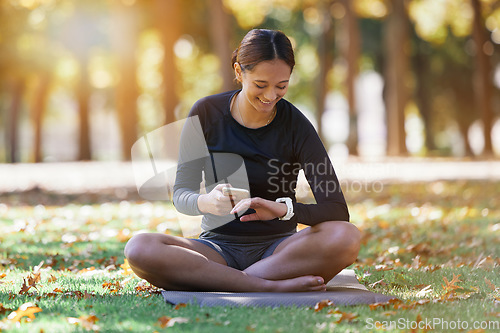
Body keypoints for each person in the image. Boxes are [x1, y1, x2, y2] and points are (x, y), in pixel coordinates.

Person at [124, 29, 361, 292]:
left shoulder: (297, 126)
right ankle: (266, 286)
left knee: (346, 236)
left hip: (280, 252)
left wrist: (282, 209)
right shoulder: (205, 113)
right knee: (139, 247)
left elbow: (336, 209)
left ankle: (228, 281)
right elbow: (181, 193)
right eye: (260, 85)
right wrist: (206, 201)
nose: (270, 96)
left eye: (281, 86)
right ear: (239, 71)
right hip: (216, 249)